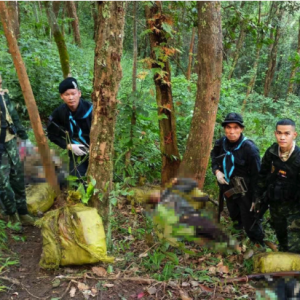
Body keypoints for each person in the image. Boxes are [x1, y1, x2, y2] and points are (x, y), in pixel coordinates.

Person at [210, 113, 265, 246]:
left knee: (250, 220)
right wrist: (217, 171)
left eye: (235, 127)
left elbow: (258, 175)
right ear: (224, 129)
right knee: (234, 213)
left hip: (245, 189)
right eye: (228, 127)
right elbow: (214, 156)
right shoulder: (221, 143)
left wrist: (256, 199)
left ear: (241, 129)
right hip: (227, 185)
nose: (231, 131)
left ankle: (257, 242)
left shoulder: (250, 149)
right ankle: (238, 231)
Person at [254, 118, 300, 253]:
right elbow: (262, 175)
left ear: (294, 135)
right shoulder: (272, 153)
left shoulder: (298, 157)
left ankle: (293, 271)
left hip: (295, 209)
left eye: (287, 133)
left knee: (295, 245)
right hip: (275, 204)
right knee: (281, 238)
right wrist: (258, 197)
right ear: (275, 133)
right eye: (279, 133)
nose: (282, 137)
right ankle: (282, 262)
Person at [0, 77, 35, 228]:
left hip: (10, 139)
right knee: (2, 182)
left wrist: (25, 138)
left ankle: (23, 212)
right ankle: (12, 216)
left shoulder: (3, 95)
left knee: (17, 174)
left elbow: (13, 116)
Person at [47, 77, 92, 178]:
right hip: (77, 152)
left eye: (73, 93)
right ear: (61, 96)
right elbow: (51, 135)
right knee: (76, 179)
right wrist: (69, 146)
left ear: (79, 93)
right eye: (67, 95)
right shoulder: (59, 113)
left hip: (96, 150)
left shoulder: (91, 109)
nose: (71, 98)